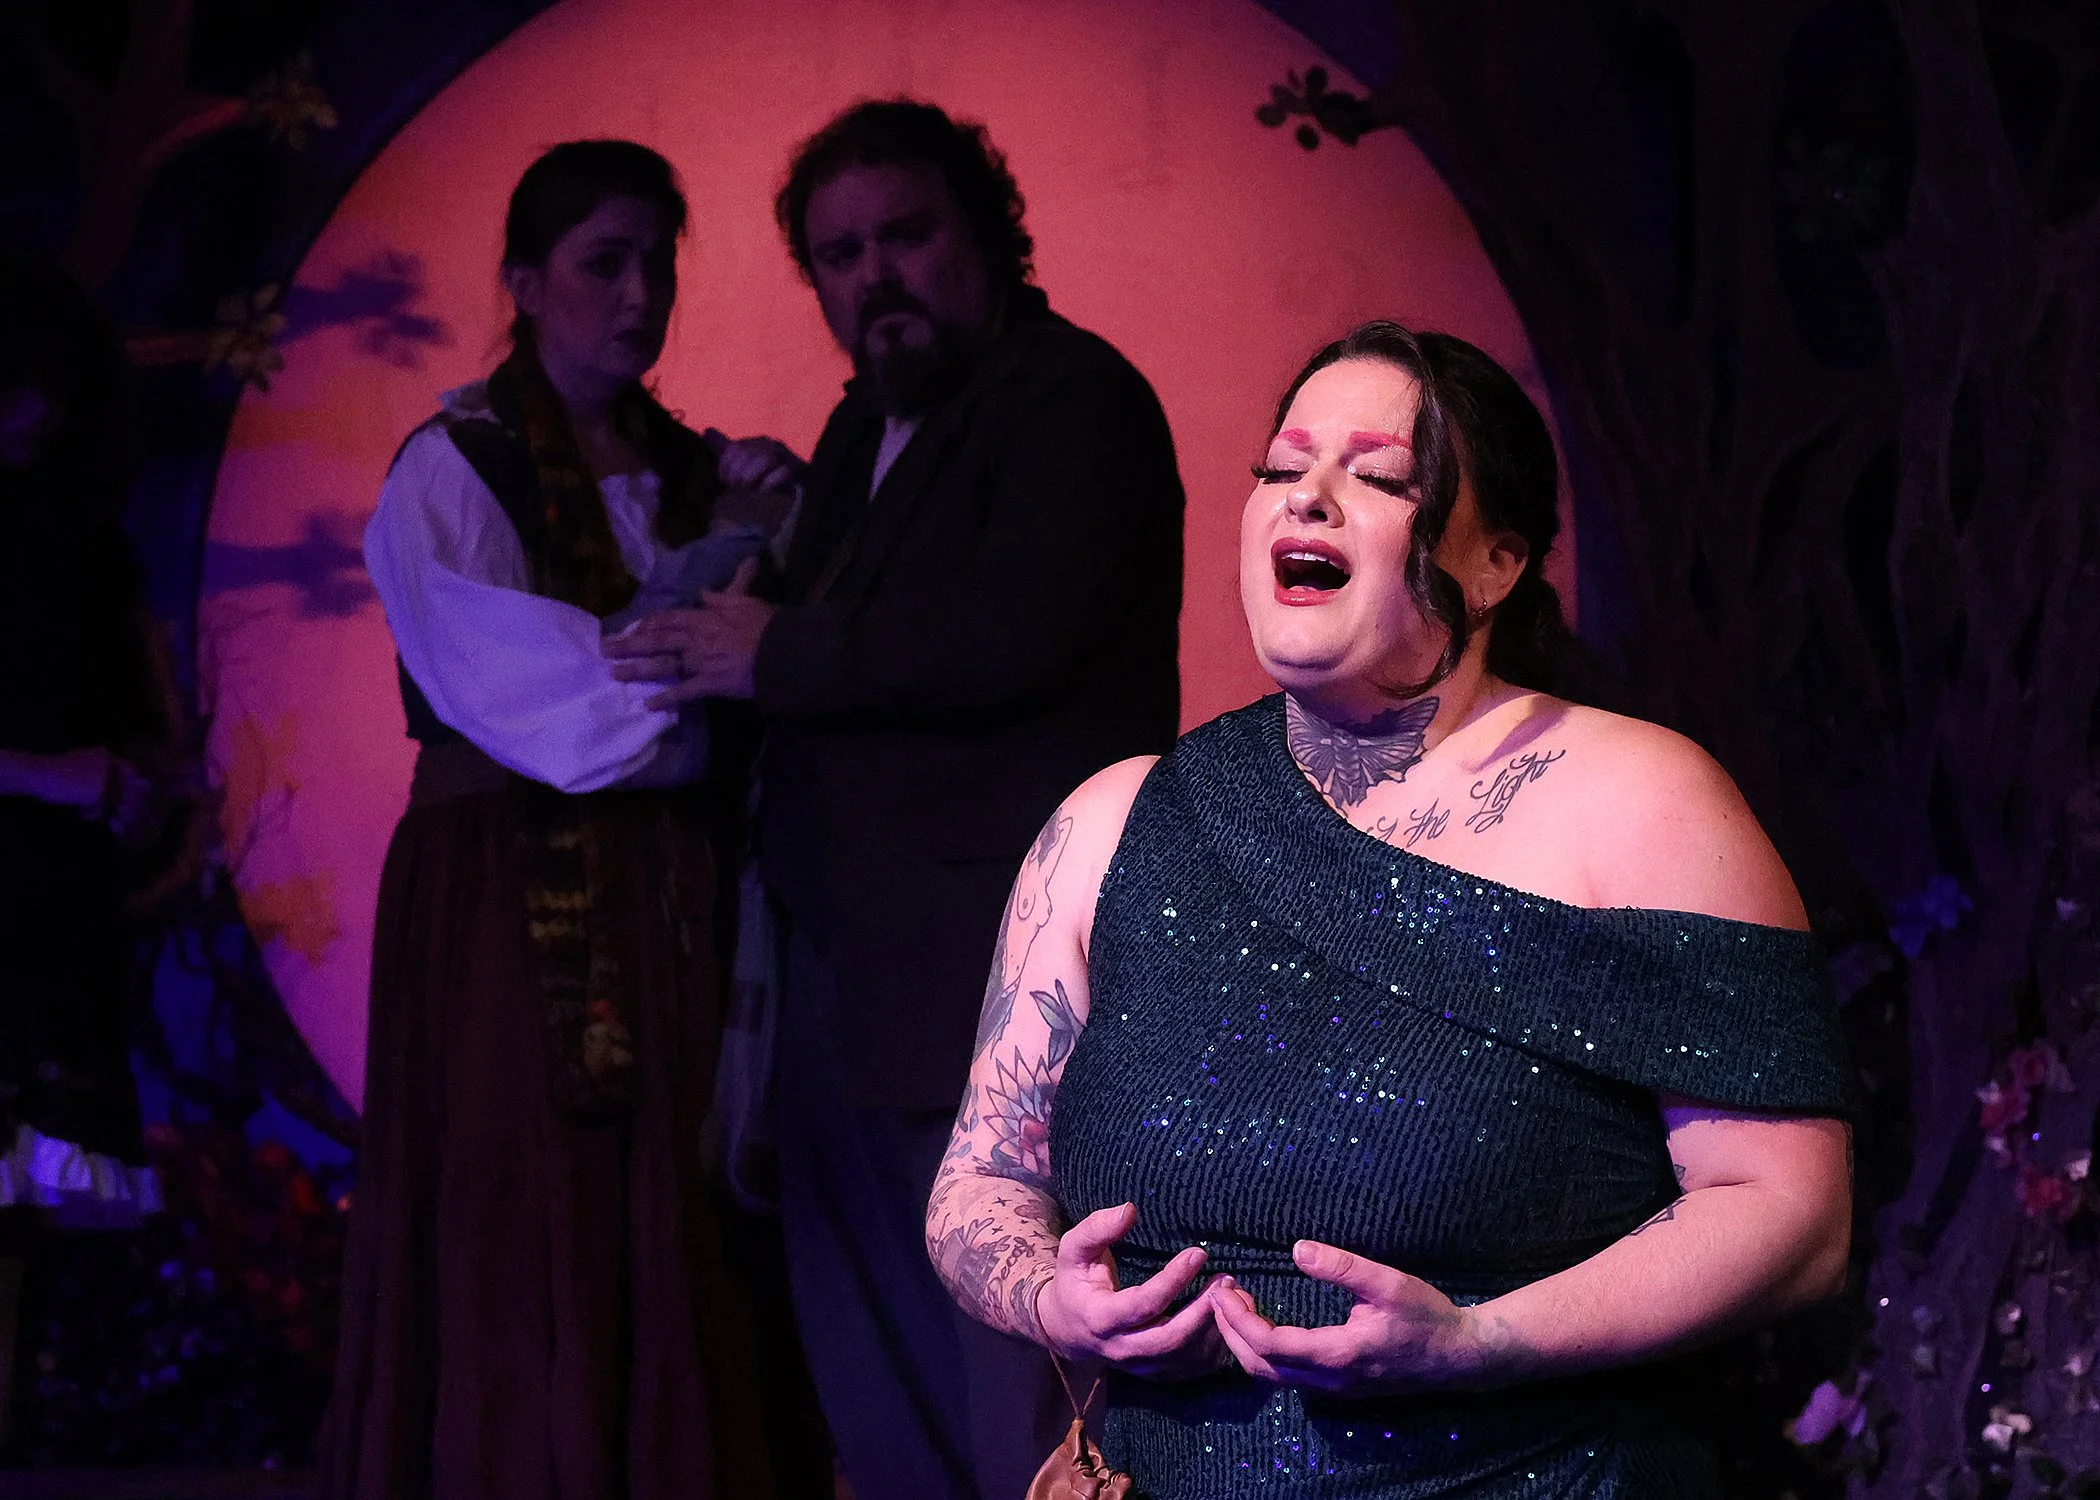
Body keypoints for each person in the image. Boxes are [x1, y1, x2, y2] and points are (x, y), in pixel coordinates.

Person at [925, 322, 1855, 1497]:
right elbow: (978, 1183)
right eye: (1282, 466)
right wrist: (1049, 1299)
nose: (1307, 497)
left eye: (1376, 477)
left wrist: (1479, 1344)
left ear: (1496, 563)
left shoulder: (1641, 804)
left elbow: (1791, 1216)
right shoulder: (1114, 824)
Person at [606, 100, 1186, 1500]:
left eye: (907, 235)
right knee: (871, 1376)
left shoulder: (1074, 398)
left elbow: (1010, 629)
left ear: (987, 232)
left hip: (993, 978)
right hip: (845, 974)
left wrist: (776, 652)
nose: (876, 276)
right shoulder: (867, 420)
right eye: (840, 253)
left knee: (1013, 1381)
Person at [320, 140, 816, 1500]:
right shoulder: (456, 469)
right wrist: (727, 619)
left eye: (658, 262)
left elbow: (739, 663)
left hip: (675, 893)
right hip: (505, 898)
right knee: (525, 1195)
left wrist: (771, 533)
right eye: (605, 262)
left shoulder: (698, 470)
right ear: (527, 284)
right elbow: (574, 701)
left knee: (677, 1197)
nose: (640, 293)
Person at [0, 254, 180, 1442]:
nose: (39, 409)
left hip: (57, 906)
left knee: (38, 1201)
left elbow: (128, 718)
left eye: (56, 386)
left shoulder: (82, 542)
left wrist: (135, 789)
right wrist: (54, 774)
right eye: (21, 382)